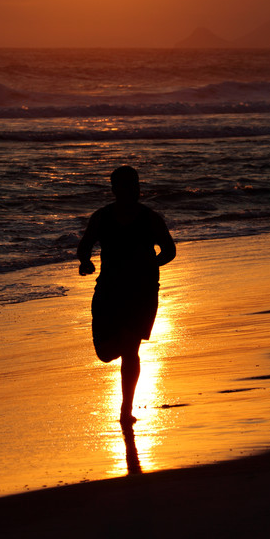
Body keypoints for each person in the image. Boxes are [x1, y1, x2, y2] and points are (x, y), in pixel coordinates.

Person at [77, 165, 176, 425]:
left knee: (131, 349)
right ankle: (125, 345)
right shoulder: (102, 217)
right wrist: (85, 262)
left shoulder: (150, 218)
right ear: (115, 189)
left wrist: (150, 264)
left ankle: (125, 410)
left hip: (142, 290)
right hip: (109, 289)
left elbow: (169, 250)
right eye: (126, 186)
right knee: (105, 352)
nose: (133, 190)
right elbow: (84, 246)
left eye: (135, 185)